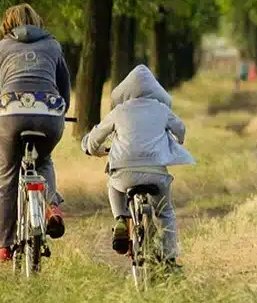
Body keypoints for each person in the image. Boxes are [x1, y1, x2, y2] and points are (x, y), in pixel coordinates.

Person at [0, 3, 71, 263]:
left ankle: (4, 245)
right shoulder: (53, 46)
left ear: (7, 24)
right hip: (49, 113)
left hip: (10, 113)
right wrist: (60, 112)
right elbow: (64, 87)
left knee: (7, 175)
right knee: (43, 160)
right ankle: (52, 206)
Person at [81, 65, 195, 268]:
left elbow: (95, 138)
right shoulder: (161, 109)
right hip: (155, 173)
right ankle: (169, 257)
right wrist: (178, 140)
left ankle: (121, 220)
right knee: (165, 212)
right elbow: (181, 130)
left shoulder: (119, 110)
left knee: (114, 186)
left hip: (124, 173)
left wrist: (90, 147)